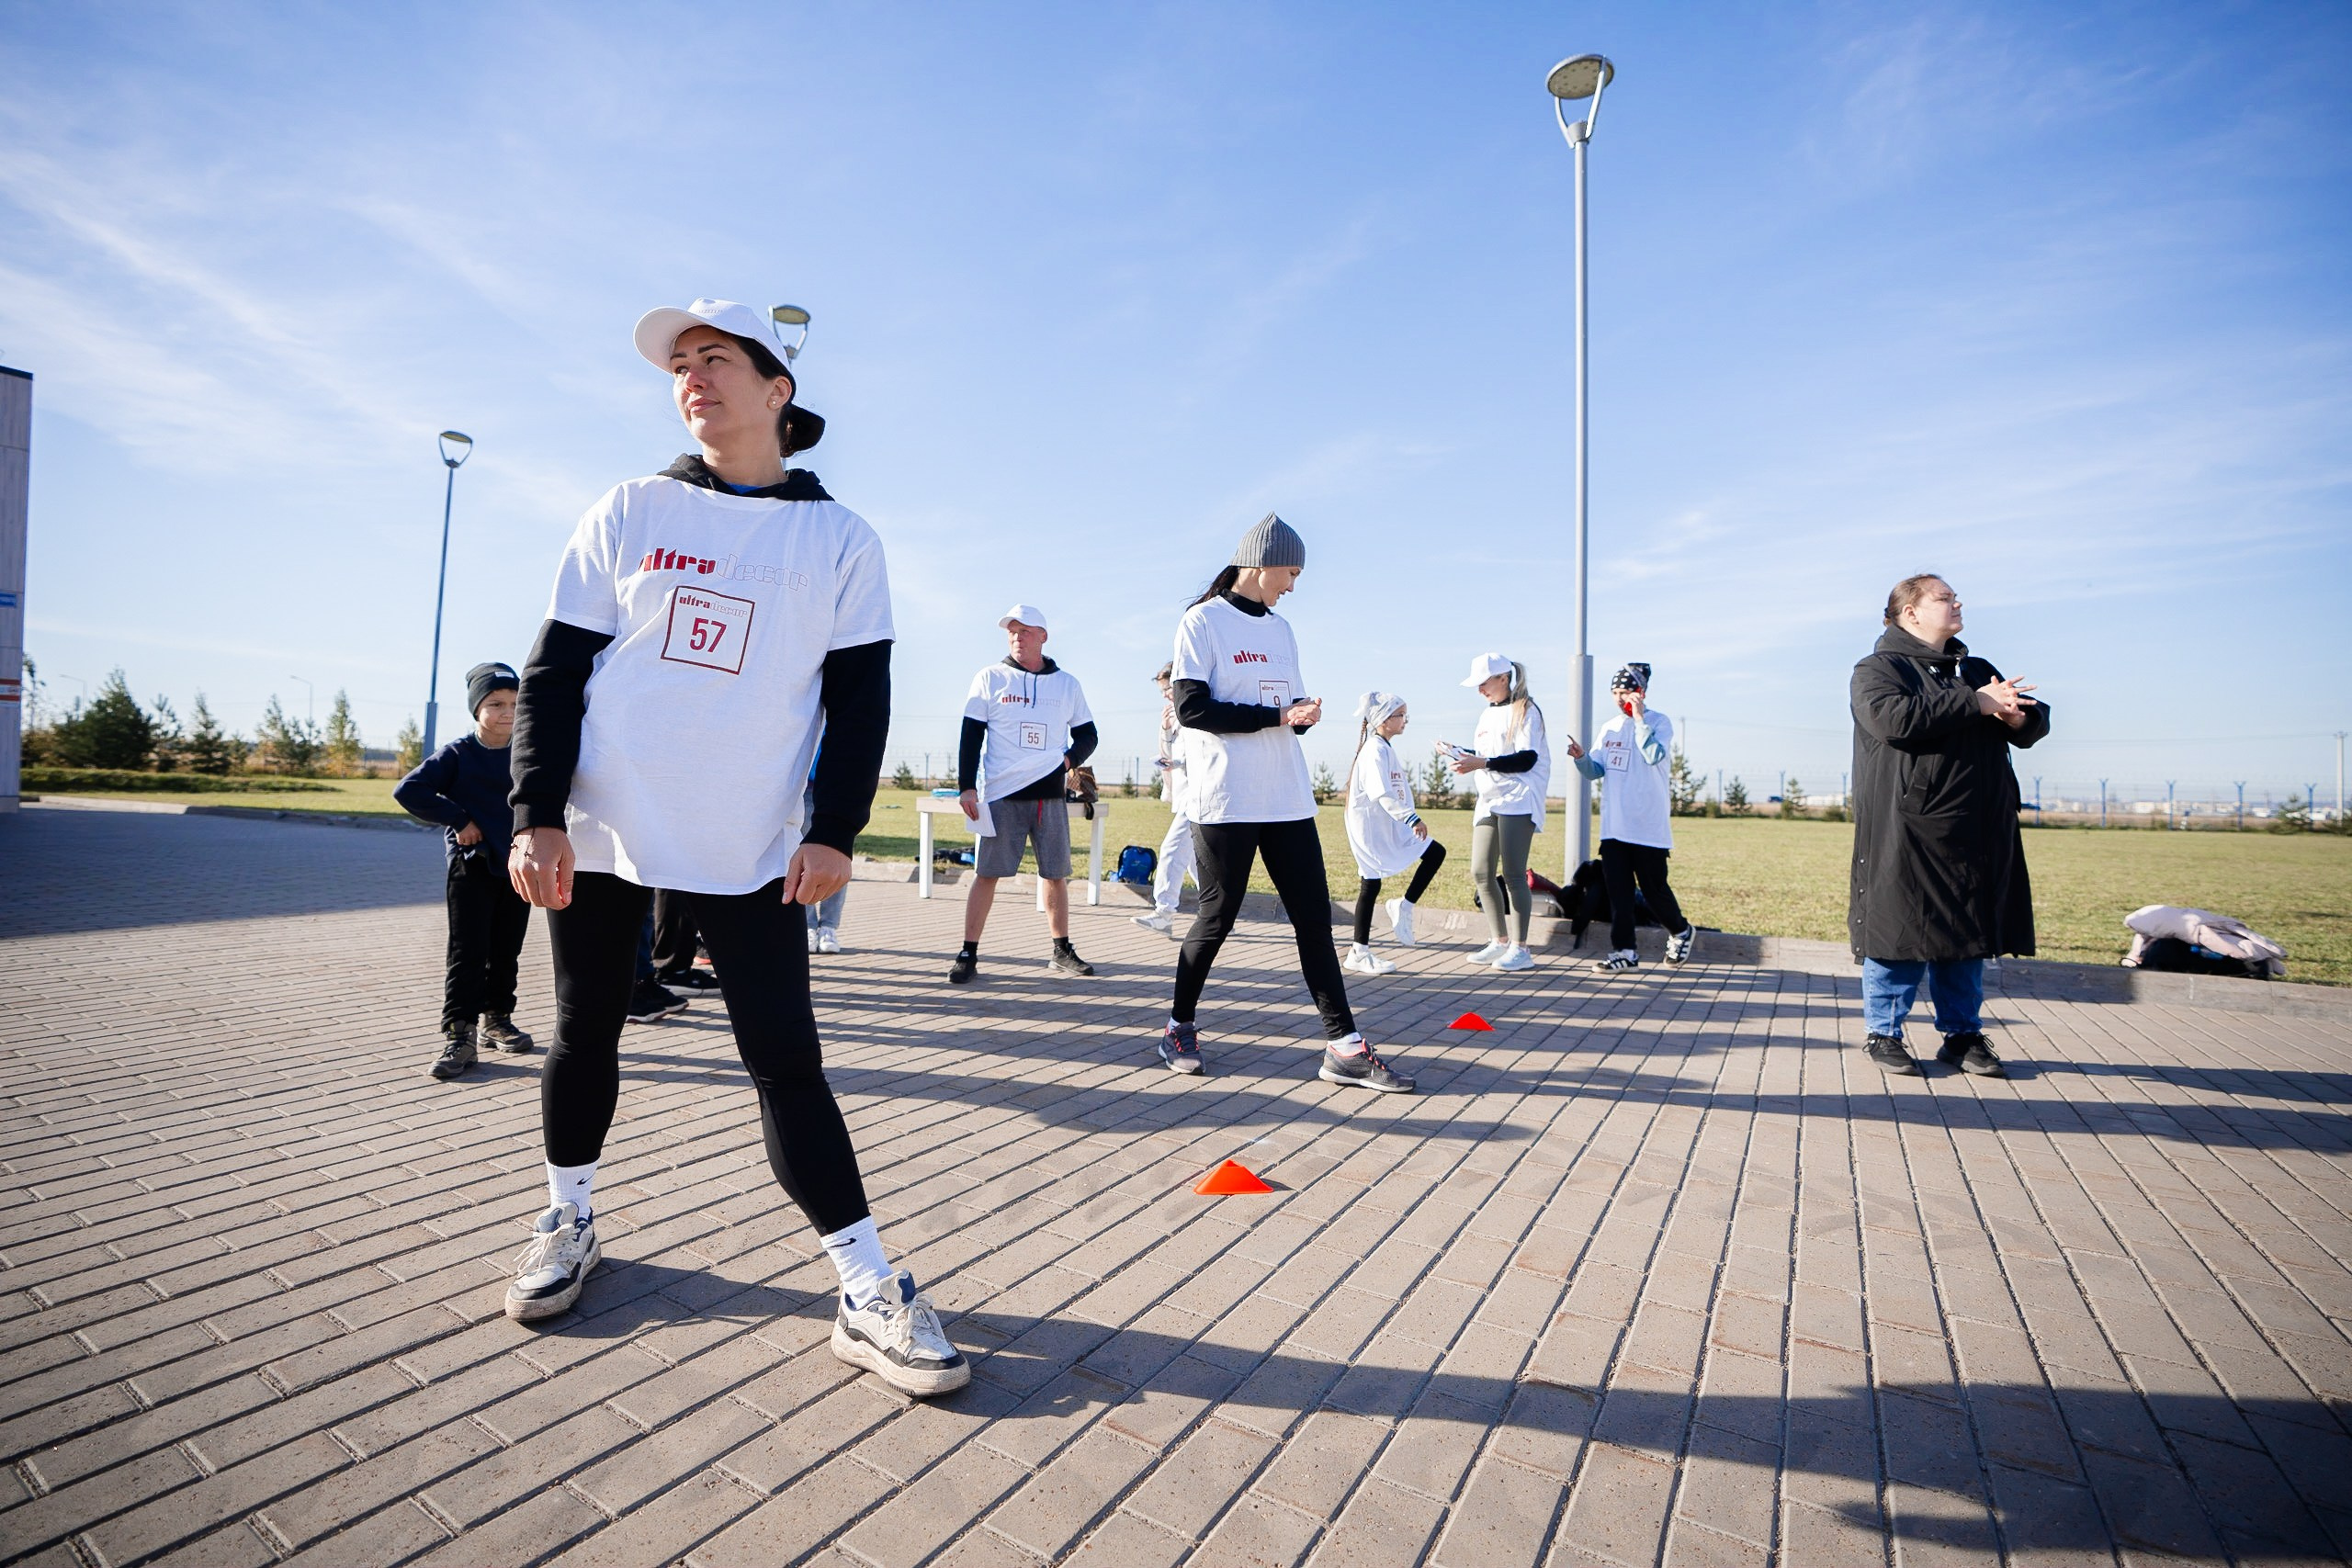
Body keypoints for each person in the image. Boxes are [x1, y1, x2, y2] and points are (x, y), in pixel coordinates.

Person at [504, 297, 966, 1397]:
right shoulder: (629, 508)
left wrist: (833, 833)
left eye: (714, 359)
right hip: (606, 830)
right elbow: (554, 673)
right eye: (678, 365)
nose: (690, 377)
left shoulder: (840, 538)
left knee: (786, 1064)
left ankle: (864, 1287)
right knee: (586, 1032)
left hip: (752, 843)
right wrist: (536, 812)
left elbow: (859, 705)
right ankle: (567, 1219)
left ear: (777, 391)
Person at [1159, 513, 1414, 1093]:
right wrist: (1278, 716)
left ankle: (1344, 1047)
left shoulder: (1282, 630)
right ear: (1261, 563)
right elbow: (1195, 710)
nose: (1293, 585)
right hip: (1224, 797)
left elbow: (1285, 708)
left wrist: (1301, 715)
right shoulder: (1202, 621)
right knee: (1217, 918)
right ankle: (1179, 1026)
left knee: (1313, 921)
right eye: (1290, 571)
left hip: (1286, 797)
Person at [1849, 573, 2047, 1078]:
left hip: (1977, 827)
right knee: (1900, 931)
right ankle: (1884, 1034)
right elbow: (1894, 720)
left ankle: (1961, 1035)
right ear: (1910, 612)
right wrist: (1976, 703)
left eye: (1955, 597)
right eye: (1944, 597)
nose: (1957, 603)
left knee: (1966, 936)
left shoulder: (1975, 668)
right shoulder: (1878, 669)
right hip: (1911, 829)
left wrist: (2018, 718)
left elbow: (2028, 721)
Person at [394, 661, 536, 1080]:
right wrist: (459, 820)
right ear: (477, 710)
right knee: (468, 952)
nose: (507, 711)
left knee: (506, 949)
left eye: (514, 702)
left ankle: (498, 1019)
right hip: (470, 869)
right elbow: (409, 790)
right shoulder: (458, 754)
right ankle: (460, 1034)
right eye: (495, 704)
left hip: (516, 866)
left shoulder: (527, 752)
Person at [949, 604, 1099, 982]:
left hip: (1049, 797)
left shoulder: (1067, 684)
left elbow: (1088, 735)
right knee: (986, 874)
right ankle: (968, 953)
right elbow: (971, 735)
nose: (1017, 636)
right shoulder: (990, 678)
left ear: (1043, 637)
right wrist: (967, 785)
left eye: (1025, 631)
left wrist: (1068, 762)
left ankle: (1061, 950)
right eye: (1011, 631)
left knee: (1055, 875)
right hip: (1001, 795)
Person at [1575, 662, 1699, 975]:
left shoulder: (1660, 722)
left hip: (1648, 827)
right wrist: (1581, 759)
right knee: (1619, 894)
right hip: (1614, 827)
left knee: (1654, 891)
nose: (1619, 699)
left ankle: (1681, 931)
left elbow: (1653, 755)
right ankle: (1624, 952)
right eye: (1615, 692)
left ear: (1641, 692)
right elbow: (1596, 771)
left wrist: (1640, 717)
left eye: (1626, 691)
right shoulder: (1609, 728)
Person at [1450, 654, 1553, 973]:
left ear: (1503, 679)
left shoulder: (1526, 710)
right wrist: (1464, 756)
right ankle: (1500, 941)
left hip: (1519, 799)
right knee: (1481, 871)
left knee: (1512, 874)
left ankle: (1521, 949)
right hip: (1490, 799)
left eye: (1484, 683)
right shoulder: (1486, 714)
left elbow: (1526, 759)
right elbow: (1488, 756)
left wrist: (1480, 763)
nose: (1480, 690)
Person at [1343, 691, 1448, 974]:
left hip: (1389, 824)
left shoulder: (1384, 746)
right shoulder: (1375, 750)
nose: (1405, 721)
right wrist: (1412, 819)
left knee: (1434, 853)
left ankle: (1402, 905)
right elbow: (1383, 794)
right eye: (1400, 715)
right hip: (1374, 828)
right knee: (1370, 882)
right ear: (1383, 719)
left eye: (1405, 715)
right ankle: (1359, 951)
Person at [1133, 662, 1197, 936]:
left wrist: (1177, 761)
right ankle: (1219, 912)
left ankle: (1164, 912)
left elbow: (1202, 751)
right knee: (1196, 862)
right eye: (1162, 692)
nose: (1165, 696)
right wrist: (1166, 730)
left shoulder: (1195, 709)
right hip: (1184, 792)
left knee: (1172, 849)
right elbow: (1170, 749)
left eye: (1168, 690)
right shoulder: (1172, 714)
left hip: (1198, 794)